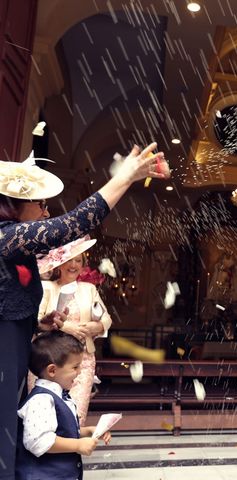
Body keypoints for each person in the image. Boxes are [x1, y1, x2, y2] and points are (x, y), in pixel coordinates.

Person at [0, 143, 169, 480]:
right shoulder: (5, 237)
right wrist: (125, 177)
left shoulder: (14, 248)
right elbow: (75, 223)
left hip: (13, 365)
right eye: (41, 204)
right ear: (15, 206)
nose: (47, 214)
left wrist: (39, 324)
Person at [37, 236, 112, 426]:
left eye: (78, 260)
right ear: (59, 264)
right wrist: (66, 326)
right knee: (45, 417)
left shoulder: (89, 289)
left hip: (83, 360)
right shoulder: (46, 288)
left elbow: (106, 318)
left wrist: (98, 326)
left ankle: (71, 452)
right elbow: (36, 321)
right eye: (69, 260)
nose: (74, 265)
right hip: (50, 361)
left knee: (76, 417)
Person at [16, 331, 112, 480]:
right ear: (52, 370)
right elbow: (38, 441)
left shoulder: (59, 396)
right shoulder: (41, 400)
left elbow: (60, 431)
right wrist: (78, 445)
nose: (79, 372)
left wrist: (87, 432)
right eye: (75, 367)